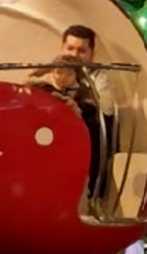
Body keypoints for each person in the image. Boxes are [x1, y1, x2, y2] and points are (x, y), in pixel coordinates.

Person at [60, 25, 115, 200]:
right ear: (62, 48)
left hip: (87, 139)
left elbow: (107, 109)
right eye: (70, 48)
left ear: (91, 52)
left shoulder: (100, 77)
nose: (75, 55)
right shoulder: (54, 71)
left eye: (81, 50)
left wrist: (81, 107)